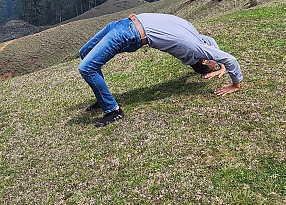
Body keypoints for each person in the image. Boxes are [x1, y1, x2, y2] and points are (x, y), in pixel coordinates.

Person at [79, 13, 243, 127]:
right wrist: (221, 67)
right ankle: (103, 99)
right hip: (121, 24)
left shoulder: (195, 48)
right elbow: (213, 43)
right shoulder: (197, 38)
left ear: (202, 59)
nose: (213, 55)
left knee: (87, 68)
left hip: (129, 34)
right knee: (84, 53)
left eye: (211, 60)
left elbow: (230, 59)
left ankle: (113, 111)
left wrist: (235, 85)